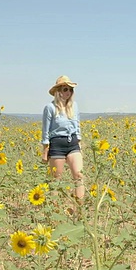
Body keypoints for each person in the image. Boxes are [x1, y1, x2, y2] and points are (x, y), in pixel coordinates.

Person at [41, 75, 85, 206]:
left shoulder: (74, 106)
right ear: (58, 91)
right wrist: (45, 150)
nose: (69, 92)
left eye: (71, 90)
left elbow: (77, 125)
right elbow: (45, 130)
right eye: (66, 89)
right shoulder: (50, 108)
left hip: (72, 143)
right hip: (56, 145)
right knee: (56, 180)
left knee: (79, 175)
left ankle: (79, 210)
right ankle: (55, 212)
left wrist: (79, 143)